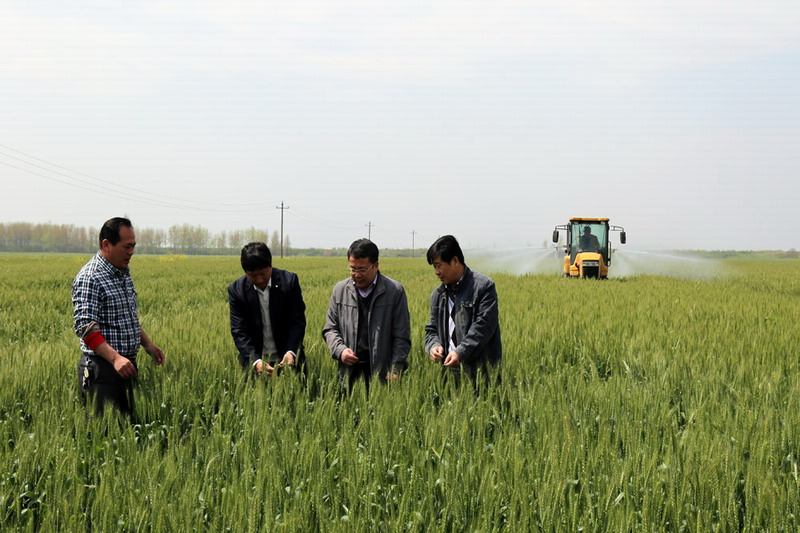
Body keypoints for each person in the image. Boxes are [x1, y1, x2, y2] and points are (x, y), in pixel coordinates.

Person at [72, 217, 165, 416]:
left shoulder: (122, 273)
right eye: (127, 246)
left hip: (125, 365)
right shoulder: (90, 277)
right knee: (105, 430)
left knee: (129, 428)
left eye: (133, 246)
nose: (131, 252)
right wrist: (115, 359)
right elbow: (85, 328)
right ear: (107, 245)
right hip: (103, 370)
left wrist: (148, 344)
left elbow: (127, 317)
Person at [322, 238, 411, 394]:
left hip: (382, 374)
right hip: (349, 372)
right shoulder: (340, 290)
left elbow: (401, 335)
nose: (356, 275)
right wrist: (341, 351)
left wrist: (396, 367)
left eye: (362, 269)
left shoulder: (394, 291)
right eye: (352, 269)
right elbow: (330, 329)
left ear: (375, 266)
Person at [424, 235, 502, 389]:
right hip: (448, 375)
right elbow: (431, 329)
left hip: (480, 374)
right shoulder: (437, 295)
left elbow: (484, 327)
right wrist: (433, 346)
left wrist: (460, 352)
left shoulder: (483, 287)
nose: (436, 272)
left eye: (439, 266)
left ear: (455, 261)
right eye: (434, 267)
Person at [228, 242, 307, 378]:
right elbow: (239, 330)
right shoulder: (237, 290)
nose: (259, 280)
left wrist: (291, 351)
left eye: (263, 274)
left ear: (270, 265)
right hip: (255, 361)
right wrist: (255, 361)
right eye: (253, 275)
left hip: (289, 360)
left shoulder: (289, 282)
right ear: (245, 272)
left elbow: (297, 322)